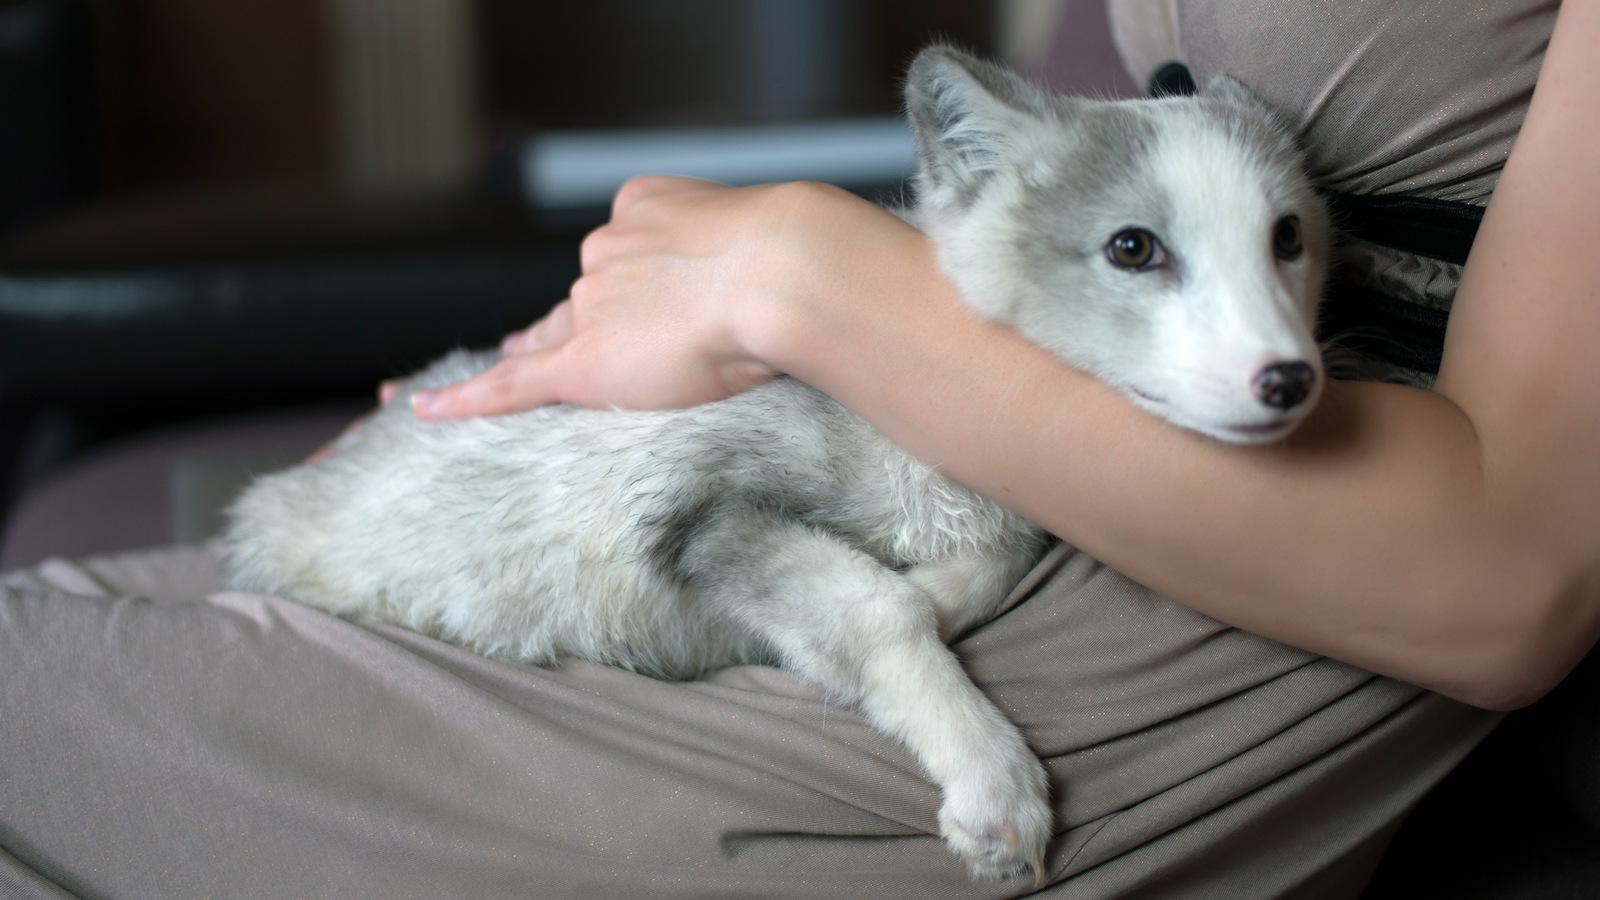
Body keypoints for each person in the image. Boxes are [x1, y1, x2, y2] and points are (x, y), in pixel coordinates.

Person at [0, 2, 1590, 897]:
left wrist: (795, 276)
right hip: (960, 465)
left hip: (1143, 652)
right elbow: (1043, 159)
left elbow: (1513, 579)